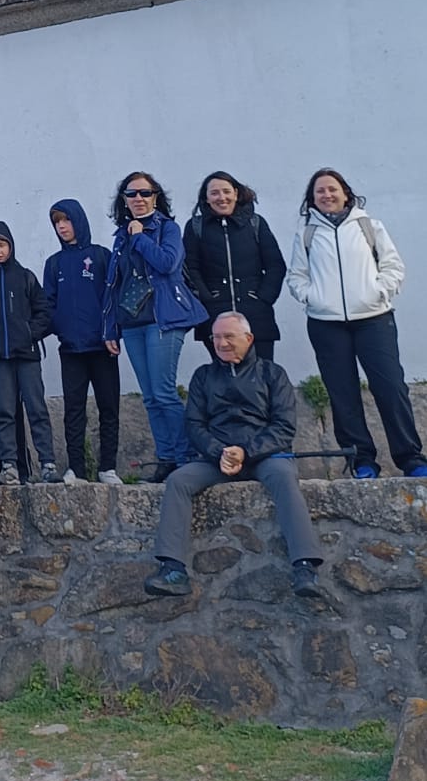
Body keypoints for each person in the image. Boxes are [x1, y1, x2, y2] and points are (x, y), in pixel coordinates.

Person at [144, 314, 331, 603]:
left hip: (265, 455)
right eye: (216, 338)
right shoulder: (203, 377)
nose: (221, 343)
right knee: (179, 480)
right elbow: (194, 425)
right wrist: (219, 451)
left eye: (229, 336)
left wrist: (247, 451)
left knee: (284, 476)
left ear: (249, 338)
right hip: (217, 457)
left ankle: (305, 567)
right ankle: (173, 570)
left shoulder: (273, 374)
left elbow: (283, 427)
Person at [287, 169, 425, 479]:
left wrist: (379, 291)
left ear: (346, 193)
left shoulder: (368, 226)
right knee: (342, 393)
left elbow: (393, 266)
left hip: (374, 320)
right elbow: (296, 276)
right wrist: (313, 298)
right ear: (312, 199)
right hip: (326, 324)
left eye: (332, 189)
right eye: (319, 191)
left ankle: (411, 458)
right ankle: (361, 460)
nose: (327, 195)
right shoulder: (307, 234)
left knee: (391, 388)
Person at [102, 172, 208, 481]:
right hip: (132, 322)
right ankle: (165, 458)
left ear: (155, 196)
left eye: (144, 193)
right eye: (131, 194)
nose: (138, 199)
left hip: (164, 318)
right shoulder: (121, 235)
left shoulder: (167, 229)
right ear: (123, 200)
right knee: (149, 396)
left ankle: (184, 456)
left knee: (164, 392)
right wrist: (110, 328)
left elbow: (167, 264)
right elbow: (114, 284)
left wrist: (140, 237)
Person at [0, 221, 59, 486]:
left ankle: (48, 464)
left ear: (10, 245)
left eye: (1, 244)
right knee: (4, 412)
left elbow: (44, 311)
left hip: (27, 355)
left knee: (37, 409)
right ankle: (10, 466)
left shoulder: (27, 277)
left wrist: (30, 332)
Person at [42, 201, 121, 485]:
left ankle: (108, 466)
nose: (62, 227)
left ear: (79, 221)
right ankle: (77, 467)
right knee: (73, 410)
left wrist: (112, 333)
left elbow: (113, 298)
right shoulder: (54, 264)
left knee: (109, 407)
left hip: (102, 348)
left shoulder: (101, 256)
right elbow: (47, 306)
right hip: (71, 349)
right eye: (57, 222)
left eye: (66, 220)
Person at [184, 174, 287, 361]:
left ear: (236, 193)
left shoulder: (255, 223)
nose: (221, 197)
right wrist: (206, 298)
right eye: (214, 193)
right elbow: (190, 269)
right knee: (223, 376)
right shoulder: (195, 227)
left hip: (256, 314)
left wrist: (264, 298)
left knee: (261, 373)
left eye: (226, 191)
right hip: (215, 315)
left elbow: (275, 265)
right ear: (206, 198)